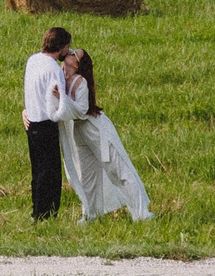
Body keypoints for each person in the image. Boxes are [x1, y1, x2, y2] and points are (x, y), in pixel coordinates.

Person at [55, 48, 153, 222]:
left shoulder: (81, 81)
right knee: (86, 175)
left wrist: (63, 98)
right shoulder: (62, 76)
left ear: (77, 64)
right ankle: (91, 214)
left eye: (73, 53)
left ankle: (141, 213)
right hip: (78, 130)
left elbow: (82, 110)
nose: (68, 53)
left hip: (95, 128)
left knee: (118, 169)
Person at [22, 27, 71, 219]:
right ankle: (47, 214)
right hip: (46, 124)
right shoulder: (53, 69)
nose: (68, 51)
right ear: (60, 46)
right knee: (50, 173)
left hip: (32, 122)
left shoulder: (33, 60)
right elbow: (57, 103)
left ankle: (37, 210)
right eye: (67, 46)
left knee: (37, 171)